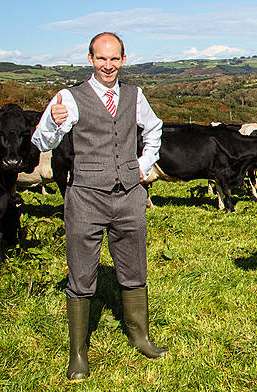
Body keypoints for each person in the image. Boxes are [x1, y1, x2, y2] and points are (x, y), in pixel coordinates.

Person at [32, 32, 166, 381]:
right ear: (91, 59)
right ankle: (78, 353)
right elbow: (42, 140)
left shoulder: (135, 96)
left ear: (124, 60)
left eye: (115, 59)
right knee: (81, 274)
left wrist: (143, 164)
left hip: (129, 195)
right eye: (101, 58)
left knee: (134, 266)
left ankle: (140, 336)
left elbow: (153, 129)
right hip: (86, 196)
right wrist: (53, 121)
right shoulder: (68, 97)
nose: (108, 66)